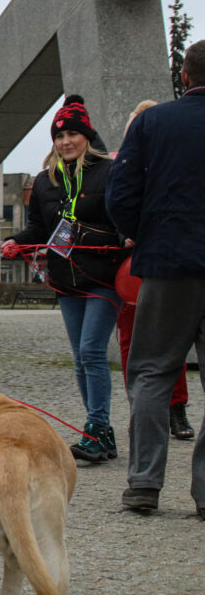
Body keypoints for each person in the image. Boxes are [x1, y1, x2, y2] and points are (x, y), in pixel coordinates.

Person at [106, 39, 205, 516]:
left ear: (184, 76)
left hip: (167, 263)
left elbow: (120, 194)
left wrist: (140, 234)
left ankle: (144, 484)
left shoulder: (152, 122)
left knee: (150, 371)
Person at [3, 95, 128, 464]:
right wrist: (15, 242)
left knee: (91, 350)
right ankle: (100, 433)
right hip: (65, 278)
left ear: (87, 136)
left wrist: (126, 238)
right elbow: (38, 228)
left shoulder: (110, 172)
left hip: (103, 275)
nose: (65, 141)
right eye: (59, 136)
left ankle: (97, 428)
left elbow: (123, 217)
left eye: (73, 133)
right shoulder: (44, 182)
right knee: (79, 357)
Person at [110, 100, 195, 442]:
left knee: (169, 344)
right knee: (134, 345)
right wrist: (126, 234)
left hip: (160, 259)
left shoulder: (166, 160)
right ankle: (142, 412)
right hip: (128, 266)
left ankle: (176, 408)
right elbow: (114, 204)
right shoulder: (122, 162)